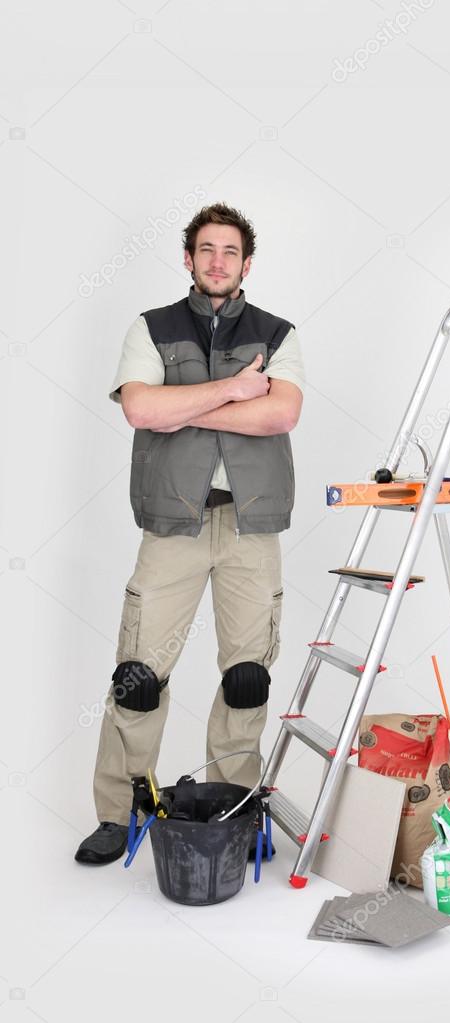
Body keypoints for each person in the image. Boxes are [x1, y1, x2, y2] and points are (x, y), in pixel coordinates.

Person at [75, 203, 304, 865]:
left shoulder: (278, 333)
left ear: (246, 264)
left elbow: (280, 415)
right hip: (173, 523)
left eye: (230, 251)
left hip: (250, 524)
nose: (217, 261)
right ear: (188, 258)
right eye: (206, 249)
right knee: (138, 677)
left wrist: (187, 406)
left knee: (246, 679)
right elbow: (142, 407)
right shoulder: (152, 328)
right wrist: (234, 389)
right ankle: (120, 814)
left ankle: (231, 810)